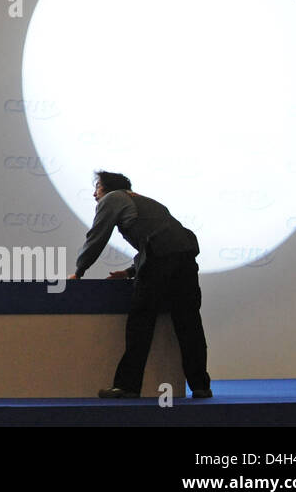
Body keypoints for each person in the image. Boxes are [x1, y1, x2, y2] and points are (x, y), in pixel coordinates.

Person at [68, 170, 212, 399]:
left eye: (97, 187)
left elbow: (97, 236)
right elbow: (162, 241)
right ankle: (200, 386)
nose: (94, 193)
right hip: (185, 259)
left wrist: (79, 270)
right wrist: (129, 271)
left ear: (106, 188)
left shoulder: (112, 199)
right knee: (189, 324)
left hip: (160, 261)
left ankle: (128, 386)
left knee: (141, 322)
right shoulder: (148, 202)